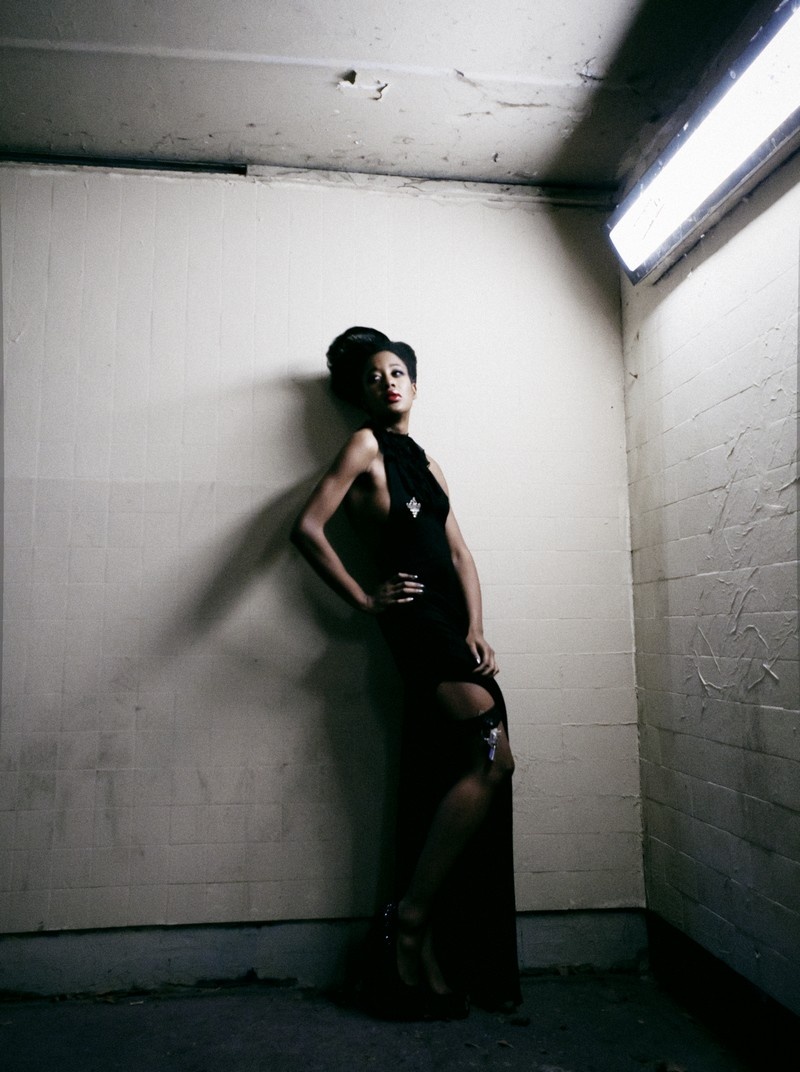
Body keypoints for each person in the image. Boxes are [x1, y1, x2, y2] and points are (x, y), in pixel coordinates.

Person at [291, 327, 520, 1019]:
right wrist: (364, 600)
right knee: (492, 756)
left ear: (414, 386)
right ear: (361, 394)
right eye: (373, 376)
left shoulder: (428, 464)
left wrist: (477, 627)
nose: (387, 382)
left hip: (451, 627)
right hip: (414, 623)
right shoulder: (364, 446)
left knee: (478, 764)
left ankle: (421, 933)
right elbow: (307, 528)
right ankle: (410, 921)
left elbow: (462, 554)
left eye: (396, 372)